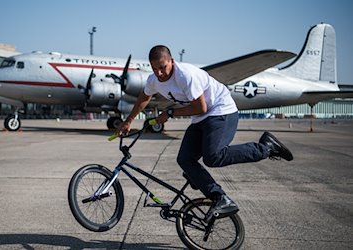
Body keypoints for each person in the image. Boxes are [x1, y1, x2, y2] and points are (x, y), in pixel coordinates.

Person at [116, 45, 293, 217]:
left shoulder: (185, 76)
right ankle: (219, 197)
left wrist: (170, 112)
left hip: (221, 111)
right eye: (155, 69)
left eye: (163, 67)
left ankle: (266, 148)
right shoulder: (154, 80)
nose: (159, 73)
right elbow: (144, 97)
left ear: (172, 61)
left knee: (213, 157)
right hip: (201, 118)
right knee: (185, 159)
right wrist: (129, 121)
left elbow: (201, 107)